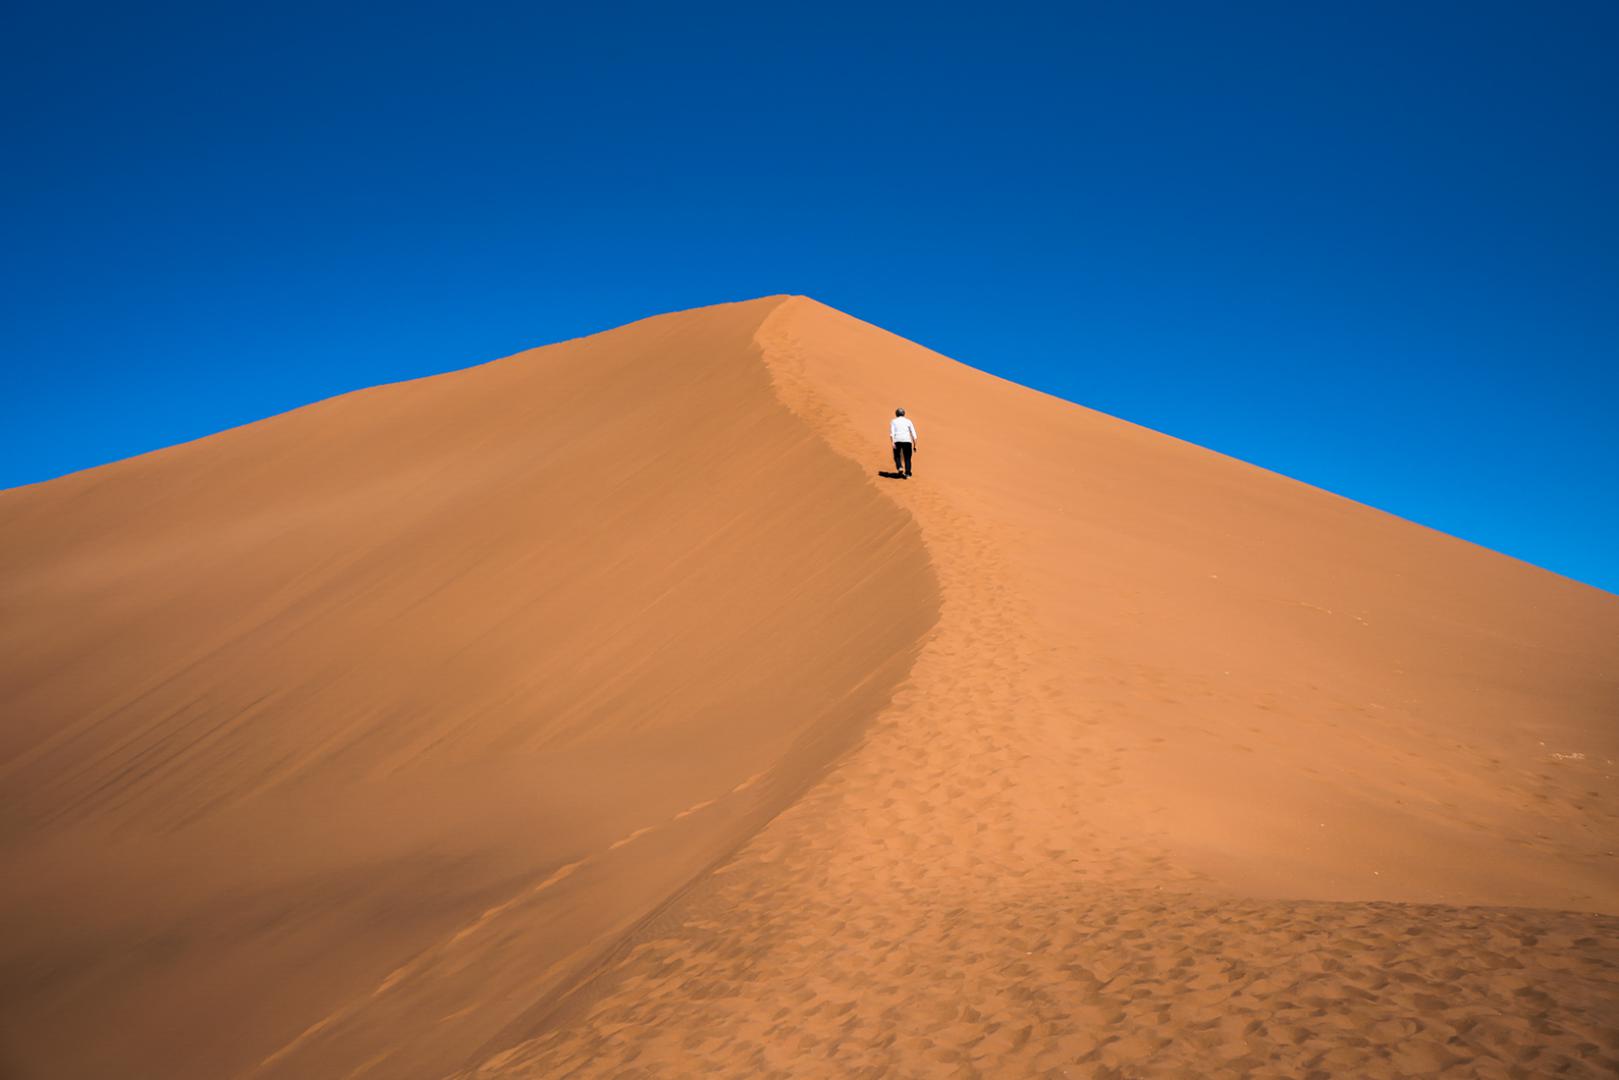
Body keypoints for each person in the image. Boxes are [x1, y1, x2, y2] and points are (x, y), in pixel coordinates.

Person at [890, 407, 917, 478]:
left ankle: (900, 467)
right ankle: (908, 473)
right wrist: (915, 445)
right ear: (904, 414)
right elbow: (914, 434)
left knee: (897, 455)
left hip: (897, 440)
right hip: (907, 441)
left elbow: (892, 433)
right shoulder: (908, 421)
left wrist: (892, 442)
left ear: (896, 414)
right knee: (907, 458)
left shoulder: (893, 421)